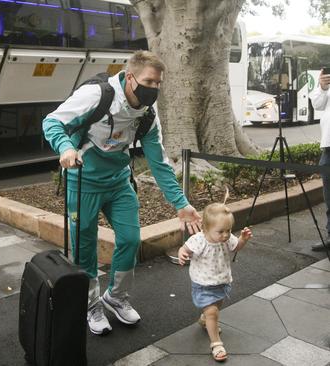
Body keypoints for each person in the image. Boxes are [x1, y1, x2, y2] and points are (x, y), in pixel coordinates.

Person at [42, 50, 202, 335]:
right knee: (85, 249)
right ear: (130, 77)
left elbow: (159, 163)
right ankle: (91, 304)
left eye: (158, 84)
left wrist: (181, 203)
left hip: (118, 182)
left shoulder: (148, 114)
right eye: (149, 81)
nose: (154, 88)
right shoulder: (98, 96)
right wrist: (65, 147)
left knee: (130, 239)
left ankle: (115, 297)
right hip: (83, 182)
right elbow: (52, 121)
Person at [177, 203, 252, 362]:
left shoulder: (226, 238)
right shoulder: (198, 240)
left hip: (221, 281)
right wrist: (182, 254)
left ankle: (205, 319)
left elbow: (236, 247)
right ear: (205, 228)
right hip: (203, 284)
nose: (225, 235)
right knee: (213, 312)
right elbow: (185, 248)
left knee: (216, 306)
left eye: (228, 230)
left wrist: (242, 239)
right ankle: (216, 343)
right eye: (221, 231)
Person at [310, 71, 330, 251]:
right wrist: (322, 87)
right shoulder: (327, 83)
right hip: (328, 148)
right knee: (329, 197)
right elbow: (317, 104)